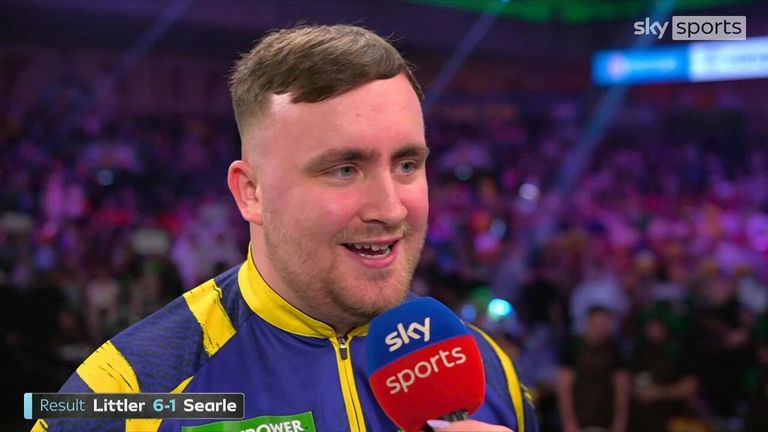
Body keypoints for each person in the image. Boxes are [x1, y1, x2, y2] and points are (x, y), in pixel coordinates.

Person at [33, 25, 537, 432]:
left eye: (407, 164)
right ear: (250, 192)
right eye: (344, 169)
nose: (390, 208)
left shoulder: (488, 368)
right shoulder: (125, 389)